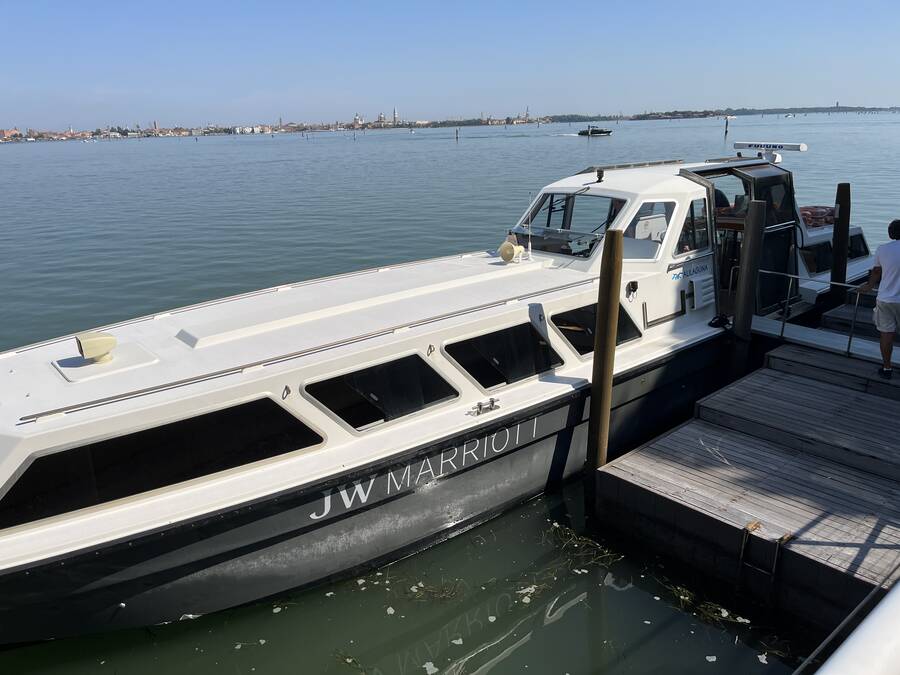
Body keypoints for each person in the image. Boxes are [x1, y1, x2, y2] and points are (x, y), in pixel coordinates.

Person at [859, 219, 900, 378]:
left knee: (886, 334)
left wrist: (868, 287)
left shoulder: (883, 249)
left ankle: (887, 368)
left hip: (885, 298)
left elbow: (876, 272)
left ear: (891, 234)